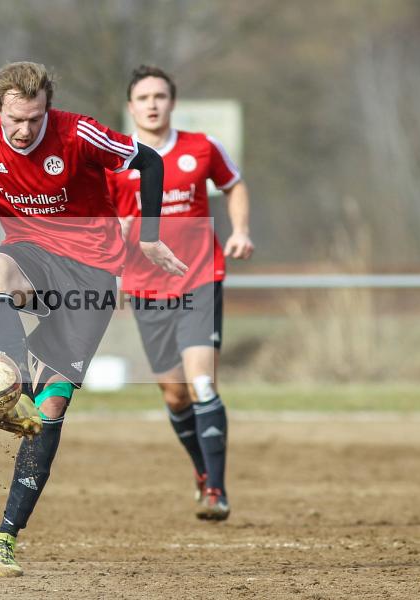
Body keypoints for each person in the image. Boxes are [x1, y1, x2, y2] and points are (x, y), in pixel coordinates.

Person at [0, 61, 185, 577]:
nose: (25, 130)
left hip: (94, 274)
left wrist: (147, 235)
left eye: (35, 118)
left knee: (50, 411)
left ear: (47, 110)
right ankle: (12, 383)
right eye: (15, 118)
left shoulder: (78, 133)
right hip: (31, 256)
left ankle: (5, 537)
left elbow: (149, 162)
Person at [107, 65, 254, 521]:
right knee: (174, 395)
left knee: (202, 381)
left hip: (198, 278)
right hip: (146, 288)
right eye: (144, 97)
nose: (153, 104)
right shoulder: (112, 160)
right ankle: (201, 471)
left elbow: (234, 185)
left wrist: (241, 230)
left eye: (161, 96)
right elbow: (97, 222)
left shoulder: (201, 147)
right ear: (130, 107)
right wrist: (118, 231)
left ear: (172, 102)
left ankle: (217, 491)